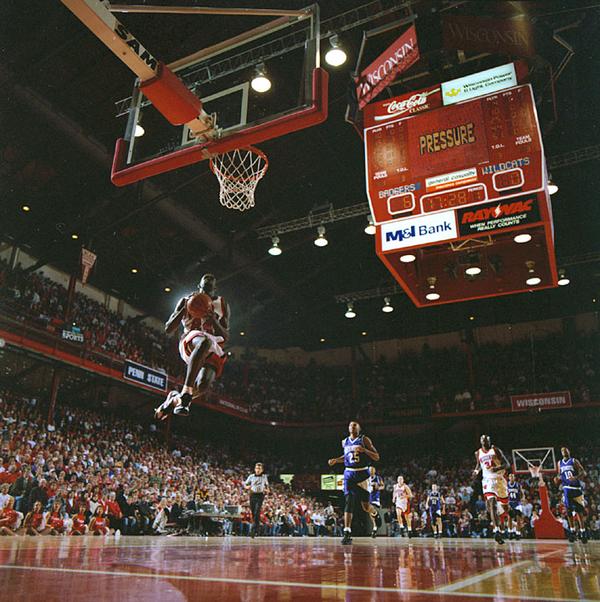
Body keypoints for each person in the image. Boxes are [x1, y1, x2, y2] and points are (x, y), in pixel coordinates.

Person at [156, 273, 230, 419]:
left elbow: (226, 337)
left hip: (214, 344)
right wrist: (184, 310)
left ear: (215, 289)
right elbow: (168, 329)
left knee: (203, 385)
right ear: (199, 287)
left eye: (210, 290)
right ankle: (186, 394)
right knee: (204, 341)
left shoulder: (222, 304)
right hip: (191, 341)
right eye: (204, 289)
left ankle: (175, 399)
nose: (206, 293)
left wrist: (214, 321)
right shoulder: (186, 300)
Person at [328, 421, 380, 545]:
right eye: (351, 425)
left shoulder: (365, 440)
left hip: (362, 474)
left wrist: (364, 451)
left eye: (355, 425)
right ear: (348, 428)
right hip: (349, 474)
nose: (352, 426)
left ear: (359, 428)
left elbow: (377, 457)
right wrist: (336, 460)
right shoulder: (344, 441)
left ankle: (374, 513)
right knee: (349, 501)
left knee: (365, 506)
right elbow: (346, 457)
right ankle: (347, 532)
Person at [472, 434, 510, 544]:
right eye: (483, 440)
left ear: (489, 441)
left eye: (487, 440)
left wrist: (497, 468)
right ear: (480, 442)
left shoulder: (496, 450)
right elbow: (479, 465)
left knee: (505, 507)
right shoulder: (478, 453)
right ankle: (497, 531)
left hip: (499, 479)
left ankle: (506, 518)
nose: (485, 442)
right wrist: (476, 471)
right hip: (487, 481)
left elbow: (507, 464)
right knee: (492, 504)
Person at [556, 446, 588, 543]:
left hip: (576, 488)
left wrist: (576, 477)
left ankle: (583, 532)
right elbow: (559, 475)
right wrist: (557, 478)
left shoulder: (574, 461)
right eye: (562, 451)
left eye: (565, 450)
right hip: (566, 488)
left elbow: (584, 472)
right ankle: (572, 531)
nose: (564, 451)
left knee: (579, 511)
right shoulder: (559, 463)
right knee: (569, 510)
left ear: (569, 451)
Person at [244, 462, 269, 538]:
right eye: (257, 468)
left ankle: (253, 530)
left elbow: (267, 486)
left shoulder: (264, 477)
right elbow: (245, 484)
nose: (258, 470)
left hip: (260, 495)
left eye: (259, 468)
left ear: (262, 470)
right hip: (252, 494)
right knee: (254, 513)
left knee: (257, 510)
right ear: (254, 469)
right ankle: (257, 528)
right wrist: (247, 487)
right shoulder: (251, 476)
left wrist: (267, 490)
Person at [507, 474, 525, 540]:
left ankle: (518, 533)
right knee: (509, 518)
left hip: (517, 503)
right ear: (508, 478)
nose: (511, 477)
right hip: (510, 503)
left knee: (518, 519)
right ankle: (510, 532)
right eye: (510, 476)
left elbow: (522, 493)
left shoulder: (518, 485)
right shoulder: (506, 485)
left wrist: (523, 498)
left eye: (512, 476)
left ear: (514, 478)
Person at [368, 467, 384, 538]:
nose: (371, 471)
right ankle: (375, 527)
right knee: (370, 512)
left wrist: (378, 488)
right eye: (369, 470)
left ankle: (375, 527)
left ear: (374, 471)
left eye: (372, 470)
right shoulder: (366, 478)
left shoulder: (378, 478)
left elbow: (383, 486)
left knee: (372, 508)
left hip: (375, 497)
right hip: (368, 496)